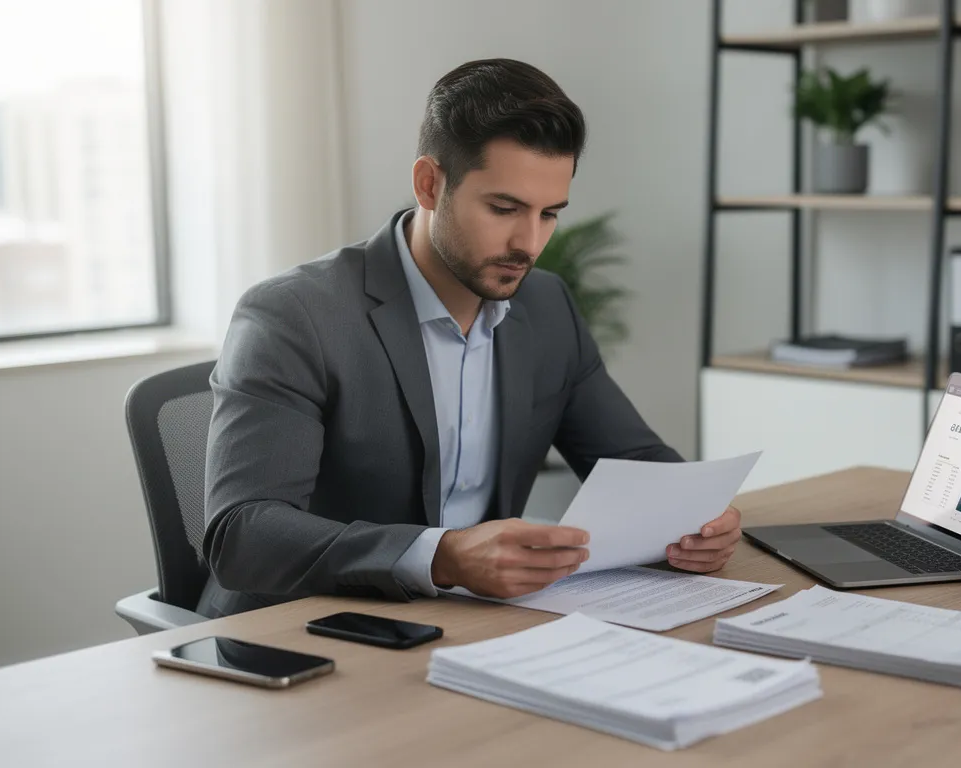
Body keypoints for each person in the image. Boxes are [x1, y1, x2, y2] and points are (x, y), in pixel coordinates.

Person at [197, 58, 741, 618]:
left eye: (549, 214)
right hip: (301, 629)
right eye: (503, 208)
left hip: (464, 625)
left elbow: (634, 458)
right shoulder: (294, 315)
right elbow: (243, 533)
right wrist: (442, 556)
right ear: (430, 185)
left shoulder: (547, 305)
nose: (528, 243)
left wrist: (698, 517)